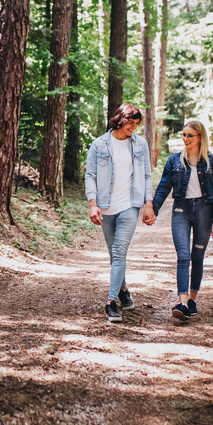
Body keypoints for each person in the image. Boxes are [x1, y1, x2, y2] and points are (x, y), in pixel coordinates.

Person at [147, 120, 213, 321]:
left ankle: (192, 299)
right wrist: (152, 209)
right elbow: (164, 187)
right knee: (183, 256)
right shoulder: (174, 161)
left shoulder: (212, 162)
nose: (186, 139)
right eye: (184, 135)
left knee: (197, 257)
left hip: (205, 212)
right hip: (181, 210)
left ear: (200, 137)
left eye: (190, 135)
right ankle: (181, 303)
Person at [84, 103, 154, 323]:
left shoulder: (140, 144)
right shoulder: (99, 144)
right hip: (105, 207)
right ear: (120, 120)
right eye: (130, 123)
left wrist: (148, 204)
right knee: (114, 253)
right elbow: (90, 176)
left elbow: (147, 175)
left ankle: (111, 302)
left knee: (119, 251)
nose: (133, 127)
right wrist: (92, 204)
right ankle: (123, 289)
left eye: (136, 124)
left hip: (130, 205)